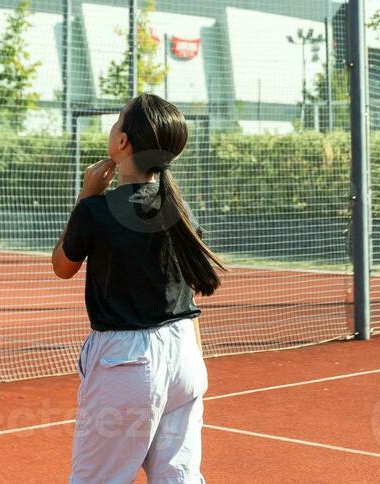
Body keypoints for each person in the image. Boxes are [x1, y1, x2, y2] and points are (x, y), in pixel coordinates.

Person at [52, 93, 225, 483]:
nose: (112, 129)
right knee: (179, 477)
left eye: (116, 123)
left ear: (122, 143)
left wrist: (85, 196)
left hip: (127, 362)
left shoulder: (96, 210)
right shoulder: (177, 209)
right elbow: (188, 297)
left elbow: (62, 266)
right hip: (185, 355)